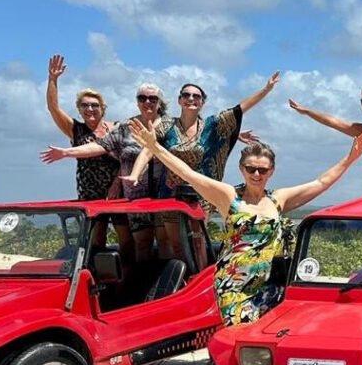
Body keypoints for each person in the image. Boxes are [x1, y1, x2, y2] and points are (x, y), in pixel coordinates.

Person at [128, 118, 362, 326]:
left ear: (271, 172)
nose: (256, 174)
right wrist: (155, 147)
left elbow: (321, 183)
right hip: (234, 286)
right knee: (240, 336)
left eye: (262, 170)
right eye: (251, 168)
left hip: (271, 286)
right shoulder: (228, 197)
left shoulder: (278, 199)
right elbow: (188, 174)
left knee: (263, 344)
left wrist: (350, 158)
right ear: (242, 169)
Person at [126, 73, 281, 263]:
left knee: (198, 242)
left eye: (196, 96)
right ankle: (182, 279)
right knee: (176, 244)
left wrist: (266, 89)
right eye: (186, 95)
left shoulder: (212, 125)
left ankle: (200, 277)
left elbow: (241, 108)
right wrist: (135, 174)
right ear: (179, 100)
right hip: (170, 192)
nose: (191, 98)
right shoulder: (166, 125)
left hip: (201, 193)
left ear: (202, 102)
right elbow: (149, 148)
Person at [41, 83, 172, 263]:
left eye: (152, 98)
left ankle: (169, 279)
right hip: (133, 198)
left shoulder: (170, 125)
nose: (147, 102)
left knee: (166, 243)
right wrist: (66, 152)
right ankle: (139, 280)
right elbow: (100, 145)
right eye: (142, 98)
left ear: (160, 102)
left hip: (162, 195)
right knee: (140, 244)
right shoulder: (126, 127)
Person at [45, 54, 120, 249]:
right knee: (96, 241)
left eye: (94, 105)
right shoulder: (76, 130)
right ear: (79, 109)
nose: (90, 109)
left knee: (127, 239)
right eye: (85, 105)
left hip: (118, 193)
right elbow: (53, 108)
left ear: (103, 108)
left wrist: (116, 185)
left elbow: (128, 159)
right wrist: (53, 79)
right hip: (90, 194)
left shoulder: (116, 129)